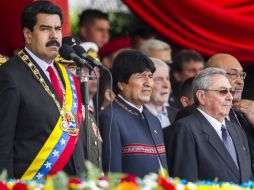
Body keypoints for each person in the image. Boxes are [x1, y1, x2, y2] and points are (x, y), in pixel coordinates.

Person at [0, 1, 85, 179]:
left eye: (58, 29)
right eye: (45, 29)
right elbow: (3, 144)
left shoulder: (68, 77)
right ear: (28, 35)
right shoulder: (9, 75)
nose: (54, 36)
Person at [167, 67, 252, 183]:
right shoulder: (185, 128)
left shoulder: (237, 130)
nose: (230, 97)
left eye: (231, 91)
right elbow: (185, 182)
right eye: (223, 91)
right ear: (202, 96)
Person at [99, 50, 167, 177]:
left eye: (150, 76)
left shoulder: (153, 119)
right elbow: (112, 174)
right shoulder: (110, 117)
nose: (148, 83)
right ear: (121, 84)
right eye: (140, 76)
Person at [207, 53, 254, 173]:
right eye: (234, 74)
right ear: (213, 77)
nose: (241, 82)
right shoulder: (200, 114)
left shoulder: (245, 113)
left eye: (242, 75)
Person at [56, 56, 102, 170]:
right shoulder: (54, 109)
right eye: (70, 68)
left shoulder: (87, 112)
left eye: (78, 69)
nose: (78, 75)